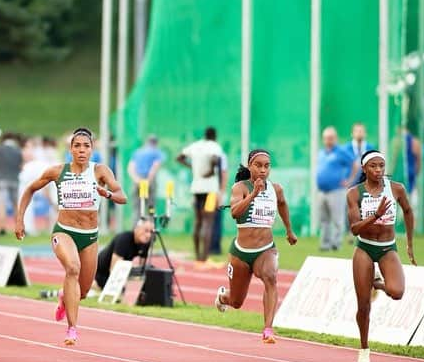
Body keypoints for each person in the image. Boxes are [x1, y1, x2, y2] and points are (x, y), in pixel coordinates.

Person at [15, 127, 126, 346]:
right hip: (64, 232)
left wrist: (108, 194)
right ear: (70, 149)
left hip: (89, 237)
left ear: (92, 149)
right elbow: (29, 189)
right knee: (72, 268)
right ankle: (72, 329)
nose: (82, 150)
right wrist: (19, 220)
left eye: (86, 146)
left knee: (82, 292)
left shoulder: (100, 171)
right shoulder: (57, 171)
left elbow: (122, 196)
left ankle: (64, 296)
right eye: (77, 146)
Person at [214, 149, 298, 344]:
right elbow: (234, 212)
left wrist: (289, 230)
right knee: (236, 302)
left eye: (266, 166)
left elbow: (283, 204)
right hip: (241, 253)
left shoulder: (276, 189)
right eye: (258, 165)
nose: (262, 170)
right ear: (250, 166)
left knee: (270, 277)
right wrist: (253, 194)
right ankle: (223, 297)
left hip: (265, 249)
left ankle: (268, 329)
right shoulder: (240, 187)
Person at [346, 149, 416, 362]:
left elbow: (408, 211)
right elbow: (355, 229)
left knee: (397, 292)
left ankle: (376, 282)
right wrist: (375, 215)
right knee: (364, 306)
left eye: (381, 166)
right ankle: (364, 347)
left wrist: (409, 243)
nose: (378, 170)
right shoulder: (354, 193)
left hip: (387, 248)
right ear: (364, 169)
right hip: (365, 248)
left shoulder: (396, 189)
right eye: (373, 166)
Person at [176, 126, 226, 266]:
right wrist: (210, 170)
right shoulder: (214, 146)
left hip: (196, 188)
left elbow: (179, 158)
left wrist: (192, 168)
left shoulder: (195, 145)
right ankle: (204, 258)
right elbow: (215, 159)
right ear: (215, 136)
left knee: (198, 222)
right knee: (208, 222)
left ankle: (198, 256)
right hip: (209, 188)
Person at [94, 218, 154, 290]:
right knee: (103, 286)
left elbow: (141, 268)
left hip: (121, 268)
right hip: (101, 271)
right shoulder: (123, 239)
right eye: (146, 231)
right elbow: (114, 269)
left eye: (151, 232)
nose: (148, 235)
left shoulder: (146, 243)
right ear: (136, 229)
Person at [316, 126, 350, 251]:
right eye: (326, 138)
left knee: (337, 219)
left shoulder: (341, 152)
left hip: (336, 190)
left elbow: (355, 164)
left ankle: (336, 244)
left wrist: (349, 180)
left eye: (330, 138)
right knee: (324, 220)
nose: (328, 140)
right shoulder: (321, 153)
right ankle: (325, 244)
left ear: (335, 138)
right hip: (322, 191)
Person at [127, 135, 165, 219]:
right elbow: (155, 166)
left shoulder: (137, 152)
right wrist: (148, 180)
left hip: (137, 179)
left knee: (137, 205)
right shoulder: (157, 152)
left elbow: (130, 167)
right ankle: (149, 227)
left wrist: (137, 180)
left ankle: (136, 228)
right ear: (156, 143)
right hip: (149, 180)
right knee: (150, 205)